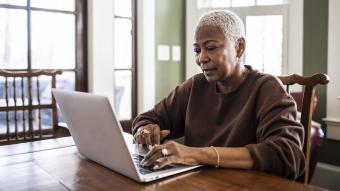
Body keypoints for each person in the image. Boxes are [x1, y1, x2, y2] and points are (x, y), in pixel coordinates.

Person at [132, 10, 305, 179]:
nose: (201, 58)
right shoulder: (195, 86)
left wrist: (198, 154)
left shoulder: (267, 88)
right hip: (199, 183)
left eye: (211, 48)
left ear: (239, 48)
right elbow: (148, 118)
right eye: (197, 50)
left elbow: (287, 155)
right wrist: (145, 130)